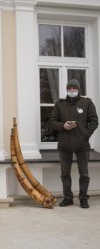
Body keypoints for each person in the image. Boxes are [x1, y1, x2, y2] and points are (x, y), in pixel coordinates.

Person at [50, 79, 98, 208]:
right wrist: (63, 126)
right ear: (66, 89)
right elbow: (52, 121)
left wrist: (86, 134)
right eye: (69, 88)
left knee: (84, 174)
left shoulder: (87, 103)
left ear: (78, 89)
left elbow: (94, 121)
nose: (71, 90)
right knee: (65, 173)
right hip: (64, 144)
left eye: (74, 88)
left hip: (82, 144)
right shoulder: (60, 104)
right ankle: (68, 197)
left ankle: (83, 198)